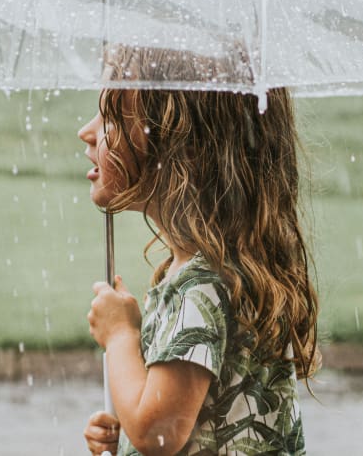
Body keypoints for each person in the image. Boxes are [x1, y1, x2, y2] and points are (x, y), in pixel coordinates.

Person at [78, 46, 320, 455]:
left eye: (111, 116)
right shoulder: (221, 271)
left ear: (177, 147)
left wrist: (120, 338)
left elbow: (159, 433)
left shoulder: (202, 288)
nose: (87, 131)